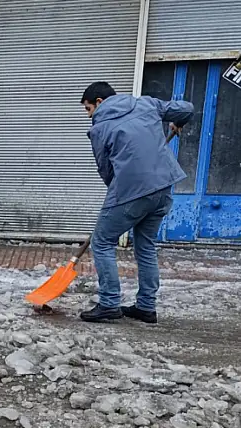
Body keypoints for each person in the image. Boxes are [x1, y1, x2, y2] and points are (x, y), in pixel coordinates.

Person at [79, 81, 194, 324]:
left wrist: (118, 192)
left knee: (101, 241)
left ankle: (109, 303)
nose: (89, 115)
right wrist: (177, 121)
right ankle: (146, 307)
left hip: (133, 190)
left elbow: (106, 169)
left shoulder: (100, 127)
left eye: (88, 109)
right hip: (163, 186)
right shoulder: (146, 104)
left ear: (99, 102)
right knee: (146, 245)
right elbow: (186, 109)